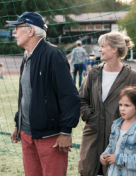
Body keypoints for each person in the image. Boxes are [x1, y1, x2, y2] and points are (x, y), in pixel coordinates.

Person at [7, 12, 81, 176]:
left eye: (18, 28)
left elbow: (70, 96)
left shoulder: (53, 54)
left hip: (51, 137)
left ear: (31, 31)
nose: (14, 32)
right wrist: (18, 123)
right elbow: (26, 95)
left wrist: (66, 131)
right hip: (26, 134)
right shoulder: (27, 56)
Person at [78, 31, 136, 176]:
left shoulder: (132, 76)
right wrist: (90, 116)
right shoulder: (93, 73)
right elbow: (81, 99)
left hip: (120, 139)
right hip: (92, 133)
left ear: (114, 49)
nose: (99, 50)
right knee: (87, 170)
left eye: (102, 46)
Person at [100, 86, 136, 176]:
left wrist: (118, 159)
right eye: (120, 105)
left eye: (127, 105)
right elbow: (111, 146)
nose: (122, 108)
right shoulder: (116, 126)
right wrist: (105, 155)